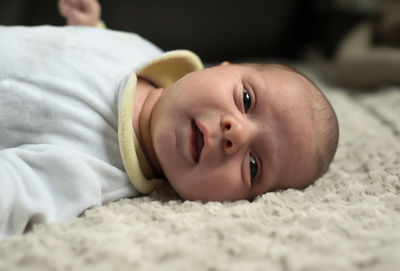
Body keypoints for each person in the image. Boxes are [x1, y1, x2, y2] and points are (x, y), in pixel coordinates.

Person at [0, 0, 338, 238]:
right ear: (224, 66)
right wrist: (88, 27)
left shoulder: (92, 174)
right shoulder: (145, 53)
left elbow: (15, 193)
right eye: (246, 99)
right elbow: (94, 55)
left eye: (253, 166)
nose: (237, 132)